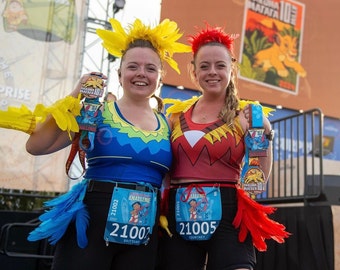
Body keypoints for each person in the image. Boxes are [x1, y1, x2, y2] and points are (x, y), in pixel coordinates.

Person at [0, 18, 190, 270]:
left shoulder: (169, 125)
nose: (141, 73)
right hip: (92, 220)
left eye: (150, 68)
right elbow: (37, 146)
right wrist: (76, 94)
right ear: (120, 75)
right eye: (133, 66)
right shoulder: (95, 113)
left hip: (144, 224)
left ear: (160, 76)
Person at [158, 23, 290, 270]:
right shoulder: (175, 116)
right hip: (179, 210)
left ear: (232, 69)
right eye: (204, 66)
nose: (212, 72)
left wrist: (266, 134)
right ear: (194, 72)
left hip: (229, 212)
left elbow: (258, 175)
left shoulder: (247, 116)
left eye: (220, 65)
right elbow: (164, 169)